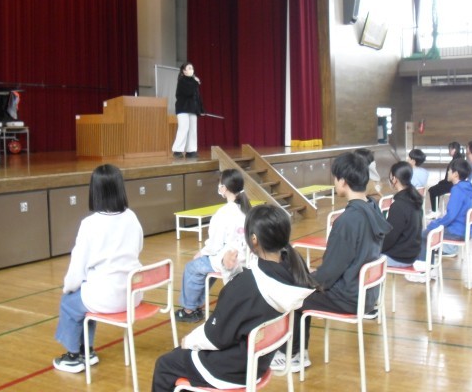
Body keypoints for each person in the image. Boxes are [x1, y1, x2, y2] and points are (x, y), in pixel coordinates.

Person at [151, 205, 317, 391]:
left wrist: (189, 341)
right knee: (179, 356)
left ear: (253, 239)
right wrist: (231, 270)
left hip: (230, 369)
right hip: (258, 362)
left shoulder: (249, 285)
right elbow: (249, 302)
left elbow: (215, 336)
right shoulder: (291, 269)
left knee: (165, 364)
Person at [271, 151, 391, 372]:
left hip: (349, 296)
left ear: (343, 181)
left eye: (335, 178)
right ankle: (297, 352)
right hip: (368, 293)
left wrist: (307, 281)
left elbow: (328, 275)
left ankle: (294, 355)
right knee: (304, 284)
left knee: (294, 296)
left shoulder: (347, 221)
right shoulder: (373, 208)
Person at [53, 164, 144, 373]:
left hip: (107, 296)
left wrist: (68, 288)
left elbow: (77, 266)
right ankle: (87, 350)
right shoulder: (131, 217)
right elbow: (138, 247)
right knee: (85, 299)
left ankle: (73, 356)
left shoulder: (90, 224)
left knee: (70, 302)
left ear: (94, 191)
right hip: (132, 294)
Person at [175, 169, 252, 323]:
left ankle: (189, 310)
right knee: (203, 267)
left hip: (229, 258)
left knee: (192, 267)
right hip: (246, 258)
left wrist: (202, 252)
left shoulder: (224, 213)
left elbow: (214, 245)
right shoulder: (248, 209)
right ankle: (197, 304)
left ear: (224, 188)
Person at [421, 158, 472, 259]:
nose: (448, 172)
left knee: (425, 234)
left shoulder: (457, 190)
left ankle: (446, 250)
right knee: (434, 226)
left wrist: (436, 224)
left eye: (449, 170)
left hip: (457, 231)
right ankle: (447, 248)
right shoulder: (467, 187)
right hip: (466, 230)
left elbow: (451, 216)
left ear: (455, 174)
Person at [381, 161, 423, 267]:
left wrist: (375, 248)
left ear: (394, 179)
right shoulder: (414, 199)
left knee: (363, 257)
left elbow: (390, 238)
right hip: (412, 253)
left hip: (399, 257)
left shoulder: (399, 205)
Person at [172, 62, 204, 159]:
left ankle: (191, 151)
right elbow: (188, 92)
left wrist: (201, 109)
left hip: (192, 109)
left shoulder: (193, 83)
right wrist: (195, 82)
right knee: (184, 128)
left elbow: (197, 97)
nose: (191, 70)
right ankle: (177, 150)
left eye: (192, 68)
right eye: (189, 68)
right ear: (184, 71)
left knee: (193, 130)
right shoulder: (182, 81)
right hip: (183, 109)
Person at [428, 141, 462, 213]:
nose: (449, 151)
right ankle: (435, 210)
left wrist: (442, 182)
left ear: (454, 150)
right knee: (438, 186)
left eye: (449, 149)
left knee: (432, 190)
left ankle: (435, 211)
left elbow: (449, 178)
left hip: (451, 184)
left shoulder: (455, 161)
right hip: (456, 183)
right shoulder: (460, 158)